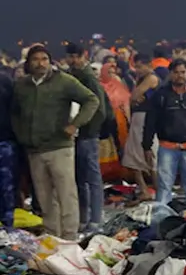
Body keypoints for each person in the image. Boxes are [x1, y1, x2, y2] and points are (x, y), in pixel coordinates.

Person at [11, 44, 100, 240]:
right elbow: (15, 113)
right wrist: (21, 134)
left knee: (66, 194)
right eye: (36, 59)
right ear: (29, 63)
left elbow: (91, 100)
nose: (40, 63)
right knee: (44, 197)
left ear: (50, 61)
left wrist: (75, 125)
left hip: (59, 147)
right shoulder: (22, 86)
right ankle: (52, 235)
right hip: (34, 149)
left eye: (44, 59)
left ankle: (69, 237)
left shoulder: (64, 81)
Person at [144, 58, 186, 206]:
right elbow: (150, 122)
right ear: (170, 74)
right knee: (164, 188)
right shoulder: (161, 96)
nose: (180, 75)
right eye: (176, 72)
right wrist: (146, 145)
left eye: (183, 72)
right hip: (167, 148)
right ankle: (162, 219)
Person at [64, 43, 112, 233]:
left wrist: (88, 129)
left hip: (87, 135)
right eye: (71, 57)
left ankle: (95, 220)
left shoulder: (88, 78)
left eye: (77, 56)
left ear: (84, 56)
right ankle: (84, 218)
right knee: (80, 177)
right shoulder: (72, 76)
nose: (73, 60)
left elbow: (99, 109)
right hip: (77, 134)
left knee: (92, 177)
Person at [124, 53, 161, 197]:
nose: (138, 70)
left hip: (146, 118)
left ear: (149, 65)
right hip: (138, 118)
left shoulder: (151, 78)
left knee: (150, 154)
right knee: (134, 154)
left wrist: (135, 98)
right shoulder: (141, 79)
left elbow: (133, 97)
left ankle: (156, 188)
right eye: (136, 67)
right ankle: (144, 189)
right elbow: (132, 100)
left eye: (140, 66)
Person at [0, 68, 17, 228]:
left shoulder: (5, 81)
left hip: (4, 141)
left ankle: (7, 228)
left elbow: (16, 110)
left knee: (6, 187)